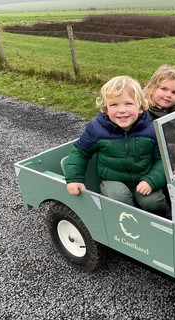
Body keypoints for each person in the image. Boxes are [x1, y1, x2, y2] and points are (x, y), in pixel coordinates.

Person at [64, 75, 169, 216]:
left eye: (128, 104)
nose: (121, 110)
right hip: (112, 180)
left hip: (143, 178)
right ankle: (126, 227)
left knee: (153, 202)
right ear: (105, 109)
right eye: (114, 105)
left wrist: (151, 180)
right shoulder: (96, 129)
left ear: (140, 107)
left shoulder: (151, 129)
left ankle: (167, 223)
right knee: (120, 198)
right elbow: (80, 152)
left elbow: (162, 158)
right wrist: (74, 179)